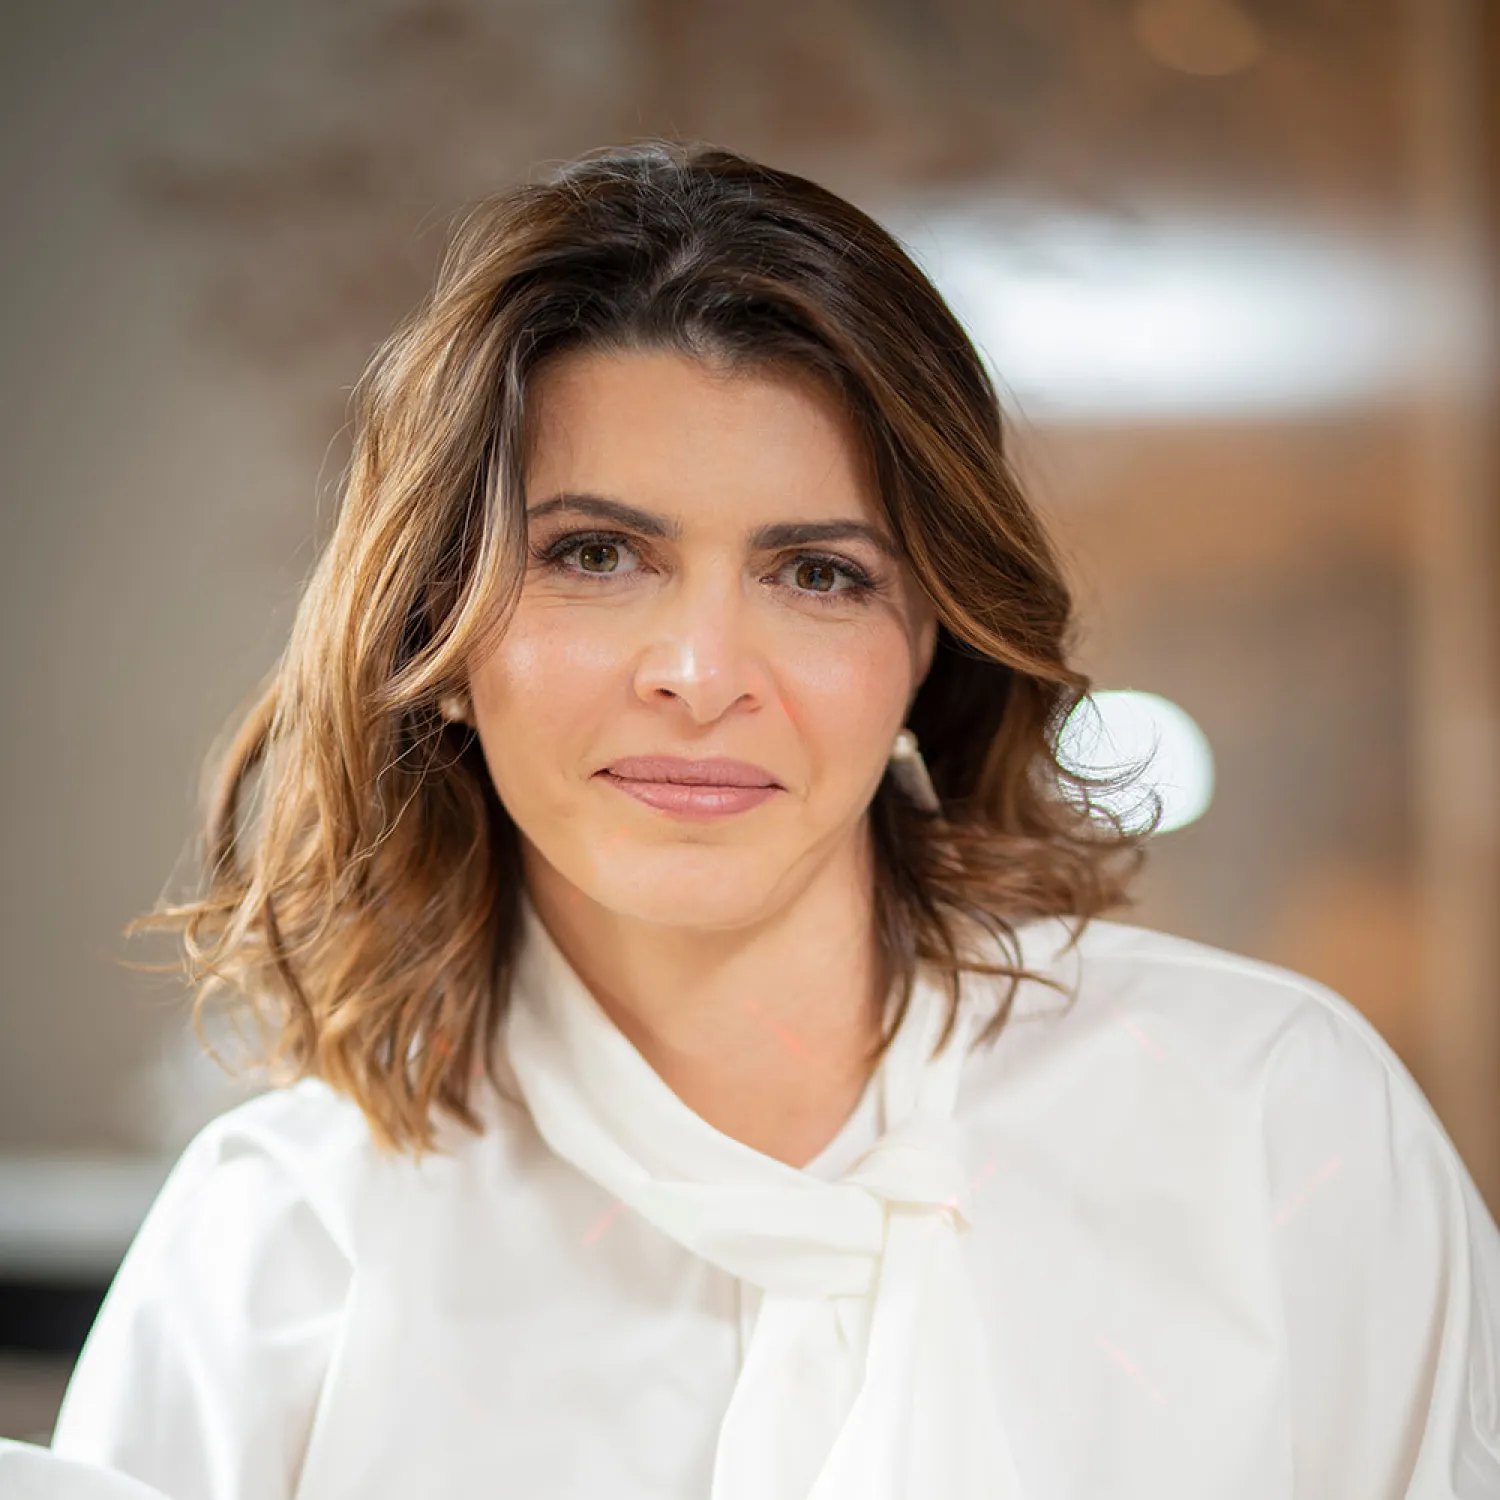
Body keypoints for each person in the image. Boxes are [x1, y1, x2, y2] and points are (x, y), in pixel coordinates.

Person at [47, 140, 1500, 1500]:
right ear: (440, 630)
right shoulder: (281, 1244)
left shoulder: (1268, 1119)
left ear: (926, 641)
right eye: (598, 555)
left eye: (816, 574)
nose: (700, 675)